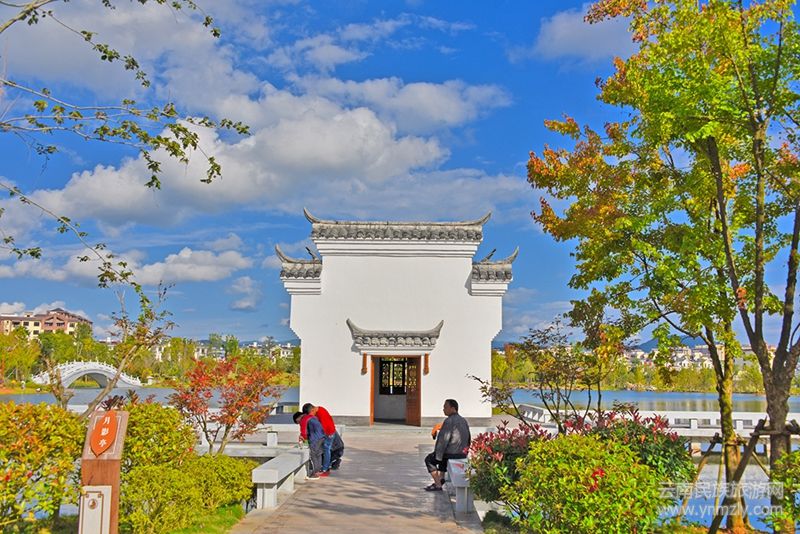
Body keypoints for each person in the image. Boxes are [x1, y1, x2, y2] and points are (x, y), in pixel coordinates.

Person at [423, 398, 470, 492]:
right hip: (462, 453)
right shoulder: (463, 420)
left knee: (430, 459)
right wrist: (466, 452)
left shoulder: (449, 421)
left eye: (445, 407)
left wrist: (437, 455)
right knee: (443, 455)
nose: (443, 409)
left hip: (452, 453)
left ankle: (438, 484)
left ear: (453, 408)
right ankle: (441, 478)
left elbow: (443, 440)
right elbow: (469, 438)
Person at [302, 403, 336, 473]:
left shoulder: (321, 414)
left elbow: (322, 428)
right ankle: (322, 466)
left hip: (329, 433)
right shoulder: (318, 410)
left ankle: (325, 468)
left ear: (312, 410)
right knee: (322, 449)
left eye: (310, 414)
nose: (311, 416)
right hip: (328, 432)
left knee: (326, 449)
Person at [293, 411, 327, 478]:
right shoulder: (312, 417)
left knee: (313, 456)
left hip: (315, 439)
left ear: (299, 417)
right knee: (318, 455)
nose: (299, 423)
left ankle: (314, 474)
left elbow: (304, 433)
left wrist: (301, 439)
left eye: (298, 422)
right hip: (322, 437)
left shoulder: (303, 419)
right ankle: (317, 471)